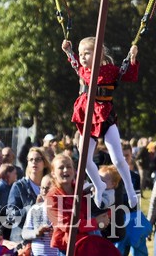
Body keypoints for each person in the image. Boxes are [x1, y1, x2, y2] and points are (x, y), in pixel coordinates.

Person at [61, 37, 140, 208]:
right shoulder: (83, 71)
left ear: (99, 54)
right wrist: (68, 50)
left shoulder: (110, 71)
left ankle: (130, 188)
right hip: (87, 117)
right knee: (84, 158)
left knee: (118, 159)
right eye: (81, 54)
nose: (82, 57)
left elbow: (129, 76)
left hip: (105, 116)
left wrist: (132, 59)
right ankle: (98, 184)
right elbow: (74, 62)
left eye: (87, 53)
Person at [45, 153, 111, 254]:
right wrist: (94, 223)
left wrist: (105, 217)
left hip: (89, 243)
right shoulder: (52, 197)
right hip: (67, 247)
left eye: (69, 166)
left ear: (74, 170)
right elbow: (67, 226)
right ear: (53, 173)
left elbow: (99, 209)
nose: (66, 170)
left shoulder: (82, 189)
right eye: (61, 168)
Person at [8, 146, 52, 242]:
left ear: (44, 163)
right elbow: (10, 217)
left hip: (47, 243)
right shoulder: (19, 186)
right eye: (31, 160)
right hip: (22, 242)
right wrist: (32, 207)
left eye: (37, 159)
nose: (34, 162)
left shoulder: (52, 185)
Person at [22, 174, 59, 256]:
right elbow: (24, 233)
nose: (44, 191)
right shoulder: (35, 209)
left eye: (48, 188)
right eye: (42, 188)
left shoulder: (63, 209)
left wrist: (57, 233)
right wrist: (37, 232)